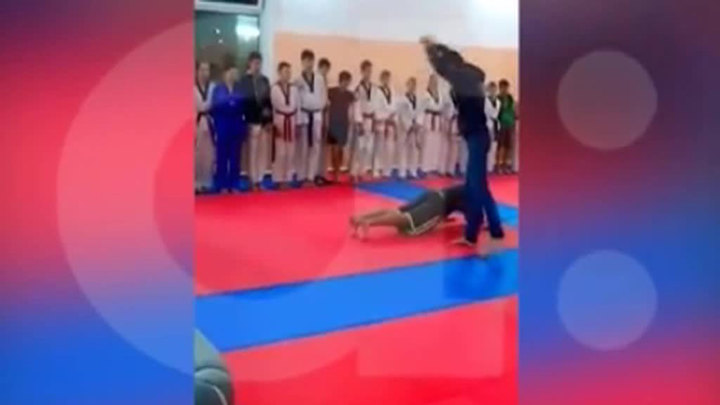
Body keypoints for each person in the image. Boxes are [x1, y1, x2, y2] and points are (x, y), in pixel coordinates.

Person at [421, 36, 504, 247]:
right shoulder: (471, 76)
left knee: (474, 187)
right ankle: (495, 227)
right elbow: (448, 62)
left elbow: (442, 67)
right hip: (478, 135)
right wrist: (437, 47)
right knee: (480, 185)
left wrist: (430, 50)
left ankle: (471, 235)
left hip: (476, 136)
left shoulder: (461, 78)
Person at [349, 185, 464, 239]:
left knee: (399, 211)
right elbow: (470, 213)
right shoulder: (472, 192)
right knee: (409, 221)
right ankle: (369, 222)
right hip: (439, 204)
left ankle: (361, 217)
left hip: (433, 194)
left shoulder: (468, 184)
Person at [238, 51, 273, 190]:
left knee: (262, 152)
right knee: (252, 152)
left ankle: (260, 179)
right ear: (249, 63)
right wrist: (244, 119)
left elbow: (268, 101)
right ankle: (252, 180)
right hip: (250, 119)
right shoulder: (243, 81)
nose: (257, 66)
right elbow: (243, 101)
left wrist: (269, 120)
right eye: (255, 63)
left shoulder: (265, 80)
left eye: (259, 63)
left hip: (263, 120)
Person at [210, 62, 245, 193]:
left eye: (234, 73)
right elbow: (218, 105)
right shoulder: (218, 89)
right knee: (222, 155)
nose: (232, 75)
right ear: (224, 74)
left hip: (236, 123)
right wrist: (231, 103)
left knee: (235, 156)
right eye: (230, 72)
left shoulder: (239, 88)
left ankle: (234, 183)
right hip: (223, 123)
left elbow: (241, 105)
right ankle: (222, 184)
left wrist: (231, 102)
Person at [295, 49, 328, 186]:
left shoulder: (319, 79)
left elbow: (324, 96)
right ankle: (302, 176)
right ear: (302, 62)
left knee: (315, 146)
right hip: (304, 115)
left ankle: (311, 176)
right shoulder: (297, 80)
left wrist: (320, 107)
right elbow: (296, 100)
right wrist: (298, 119)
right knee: (303, 147)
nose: (309, 63)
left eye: (311, 61)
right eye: (307, 61)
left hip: (316, 114)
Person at [270, 62, 299, 188]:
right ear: (279, 73)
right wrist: (274, 124)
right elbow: (273, 107)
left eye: (289, 72)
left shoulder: (294, 89)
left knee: (290, 151)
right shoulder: (274, 88)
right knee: (280, 152)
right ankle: (278, 179)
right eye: (285, 71)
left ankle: (288, 178)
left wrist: (297, 123)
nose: (288, 74)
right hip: (280, 119)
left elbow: (297, 106)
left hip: (291, 119)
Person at [351, 60, 379, 183]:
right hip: (362, 120)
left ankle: (362, 171)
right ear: (362, 71)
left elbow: (376, 105)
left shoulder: (374, 88)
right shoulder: (357, 88)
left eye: (370, 71)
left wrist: (375, 120)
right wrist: (359, 122)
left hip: (371, 119)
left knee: (368, 148)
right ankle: (354, 172)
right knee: (359, 148)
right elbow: (356, 106)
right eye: (367, 71)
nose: (369, 73)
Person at [327, 70, 355, 183]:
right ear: (340, 81)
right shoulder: (331, 92)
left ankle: (338, 171)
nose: (346, 83)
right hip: (333, 123)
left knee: (340, 149)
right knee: (334, 149)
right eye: (344, 81)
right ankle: (334, 171)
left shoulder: (350, 95)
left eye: (348, 81)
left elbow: (353, 108)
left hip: (344, 123)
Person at [195, 61, 216, 193]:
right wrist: (205, 106)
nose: (204, 73)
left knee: (209, 153)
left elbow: (212, 104)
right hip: (196, 122)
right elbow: (198, 107)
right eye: (202, 70)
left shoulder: (213, 87)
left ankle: (207, 182)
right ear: (196, 71)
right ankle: (196, 183)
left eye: (207, 70)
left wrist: (206, 106)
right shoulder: (191, 87)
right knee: (197, 154)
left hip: (209, 122)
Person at [396, 77, 423, 179]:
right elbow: (402, 114)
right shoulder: (402, 99)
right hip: (405, 127)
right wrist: (409, 125)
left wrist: (417, 124)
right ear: (407, 85)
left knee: (414, 150)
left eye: (414, 85)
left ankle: (413, 171)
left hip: (415, 127)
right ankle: (402, 172)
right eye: (410, 84)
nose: (412, 87)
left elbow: (420, 112)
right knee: (403, 149)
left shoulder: (418, 99)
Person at [374, 70, 398, 178]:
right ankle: (376, 169)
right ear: (381, 79)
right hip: (382, 121)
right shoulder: (377, 91)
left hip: (391, 122)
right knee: (379, 147)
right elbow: (377, 107)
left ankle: (387, 170)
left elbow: (395, 106)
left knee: (389, 148)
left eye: (388, 78)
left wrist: (392, 117)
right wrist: (384, 117)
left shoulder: (392, 90)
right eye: (384, 78)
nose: (386, 80)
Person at [421, 74, 445, 176]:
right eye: (432, 81)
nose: (434, 83)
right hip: (429, 119)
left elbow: (441, 106)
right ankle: (425, 168)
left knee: (436, 144)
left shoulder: (439, 94)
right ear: (429, 82)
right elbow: (426, 107)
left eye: (436, 82)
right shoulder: (426, 94)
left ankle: (433, 167)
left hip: (437, 120)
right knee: (428, 144)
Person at [496, 79, 517, 174]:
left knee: (508, 146)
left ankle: (506, 165)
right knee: (501, 145)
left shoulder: (510, 98)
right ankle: (499, 165)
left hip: (510, 123)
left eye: (506, 88)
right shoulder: (498, 98)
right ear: (500, 88)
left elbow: (512, 110)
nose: (505, 90)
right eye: (503, 88)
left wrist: (513, 120)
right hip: (501, 124)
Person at [318, 58, 332, 182]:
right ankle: (316, 174)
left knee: (324, 147)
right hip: (318, 114)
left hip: (325, 114)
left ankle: (323, 173)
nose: (326, 71)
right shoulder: (317, 80)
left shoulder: (325, 80)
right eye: (324, 69)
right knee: (317, 147)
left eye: (327, 69)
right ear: (319, 68)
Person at [484, 81, 501, 173]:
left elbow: (496, 114)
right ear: (488, 90)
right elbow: (487, 112)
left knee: (493, 146)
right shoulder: (484, 100)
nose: (493, 91)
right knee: (486, 146)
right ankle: (484, 166)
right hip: (486, 123)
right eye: (491, 89)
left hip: (494, 124)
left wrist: (494, 116)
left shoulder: (498, 102)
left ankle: (490, 167)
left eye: (494, 89)